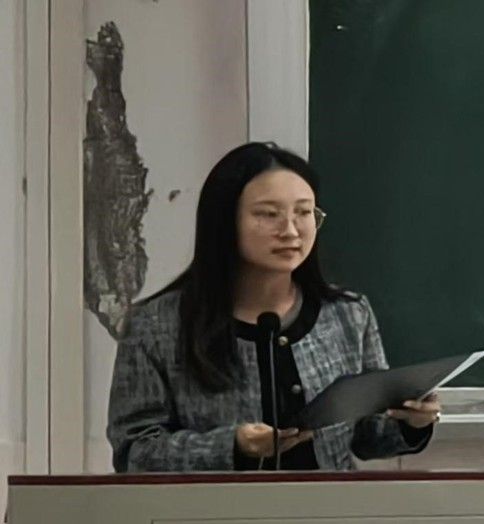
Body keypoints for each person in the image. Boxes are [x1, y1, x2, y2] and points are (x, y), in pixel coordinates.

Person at [107, 142, 440, 472]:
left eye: (304, 212)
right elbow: (134, 451)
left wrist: (411, 422)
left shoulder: (348, 315)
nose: (290, 230)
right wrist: (233, 447)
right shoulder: (156, 326)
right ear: (225, 221)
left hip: (331, 503)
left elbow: (368, 436)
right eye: (268, 214)